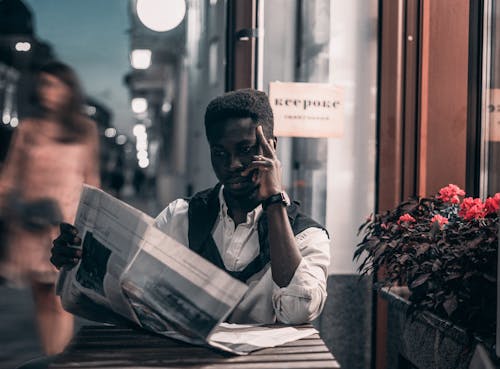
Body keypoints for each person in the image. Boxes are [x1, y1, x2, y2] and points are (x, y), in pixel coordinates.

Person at [51, 89, 329, 325]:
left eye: (245, 150)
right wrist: (79, 260)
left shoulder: (307, 234)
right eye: (220, 153)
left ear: (271, 148)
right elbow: (130, 289)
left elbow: (299, 311)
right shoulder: (181, 216)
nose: (232, 164)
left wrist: (274, 201)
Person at [0, 61, 100, 355]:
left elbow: (91, 179)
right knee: (42, 299)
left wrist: (93, 223)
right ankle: (50, 356)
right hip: (30, 225)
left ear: (69, 90)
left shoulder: (84, 130)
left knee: (60, 300)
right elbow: (10, 175)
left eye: (54, 85)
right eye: (43, 84)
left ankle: (60, 359)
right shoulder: (28, 129)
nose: (47, 91)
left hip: (65, 226)